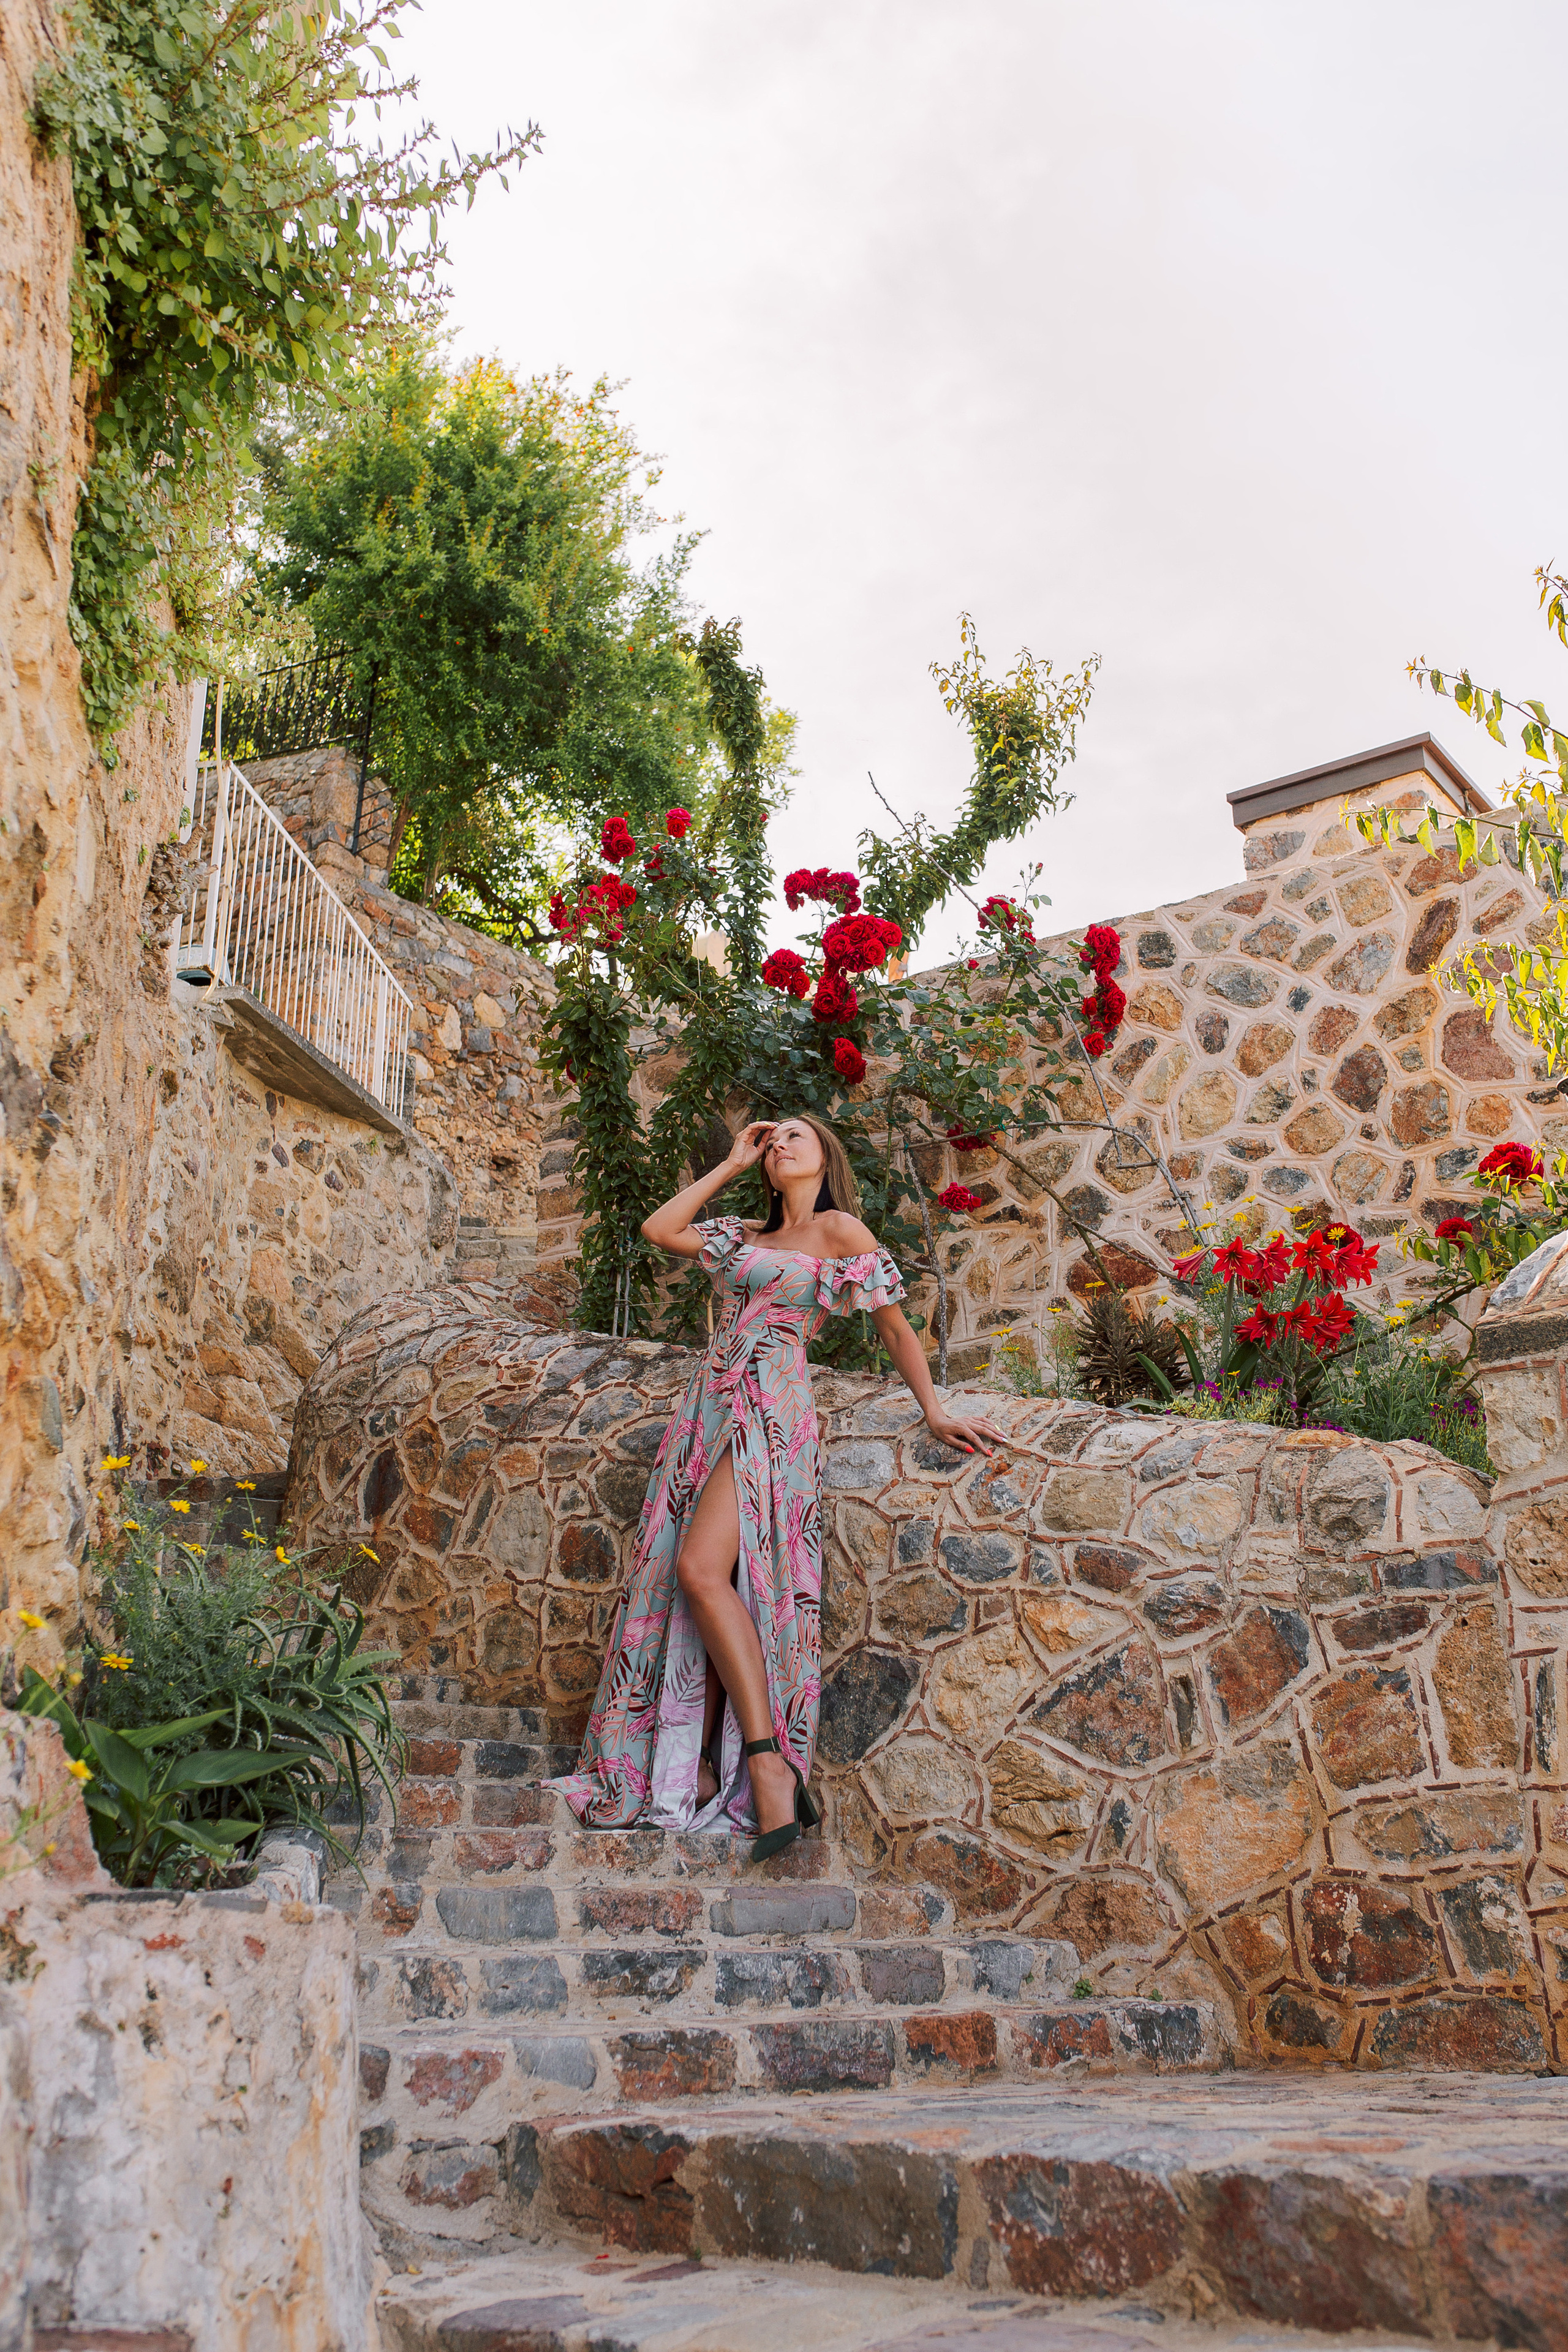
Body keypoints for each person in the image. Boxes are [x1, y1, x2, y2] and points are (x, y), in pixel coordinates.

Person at [546, 1112, 1004, 1861]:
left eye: (797, 1135)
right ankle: (701, 1763)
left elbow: (892, 1327)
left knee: (698, 1570)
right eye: (773, 1138)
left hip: (772, 1404)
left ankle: (767, 1762)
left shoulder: (839, 1232)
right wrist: (730, 1162)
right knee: (697, 1575)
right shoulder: (743, 1237)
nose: (780, 1144)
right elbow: (661, 1230)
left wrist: (934, 1409)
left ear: (826, 1153)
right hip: (706, 1409)